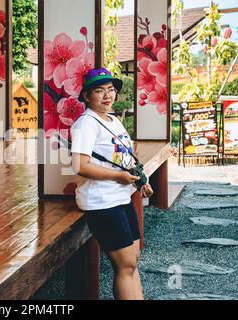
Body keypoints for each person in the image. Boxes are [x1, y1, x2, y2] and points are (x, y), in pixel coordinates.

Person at [70, 68, 154, 300]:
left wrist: (139, 180)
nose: (107, 95)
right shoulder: (86, 123)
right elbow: (80, 165)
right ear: (87, 96)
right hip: (102, 202)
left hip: (121, 197)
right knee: (125, 265)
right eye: (99, 90)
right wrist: (118, 177)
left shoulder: (113, 120)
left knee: (132, 260)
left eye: (111, 90)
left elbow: (123, 158)